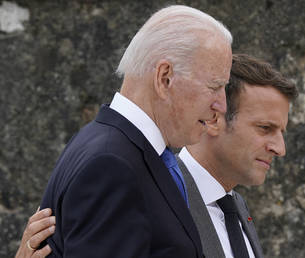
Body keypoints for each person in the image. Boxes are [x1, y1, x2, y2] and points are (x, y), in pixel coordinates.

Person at [16, 54, 298, 258]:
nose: (279, 148)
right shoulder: (141, 190)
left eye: (281, 132)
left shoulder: (235, 207)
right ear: (214, 118)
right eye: (265, 128)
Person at [26, 5, 233, 258]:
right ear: (165, 78)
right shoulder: (111, 165)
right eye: (214, 86)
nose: (221, 106)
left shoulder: (110, 146)